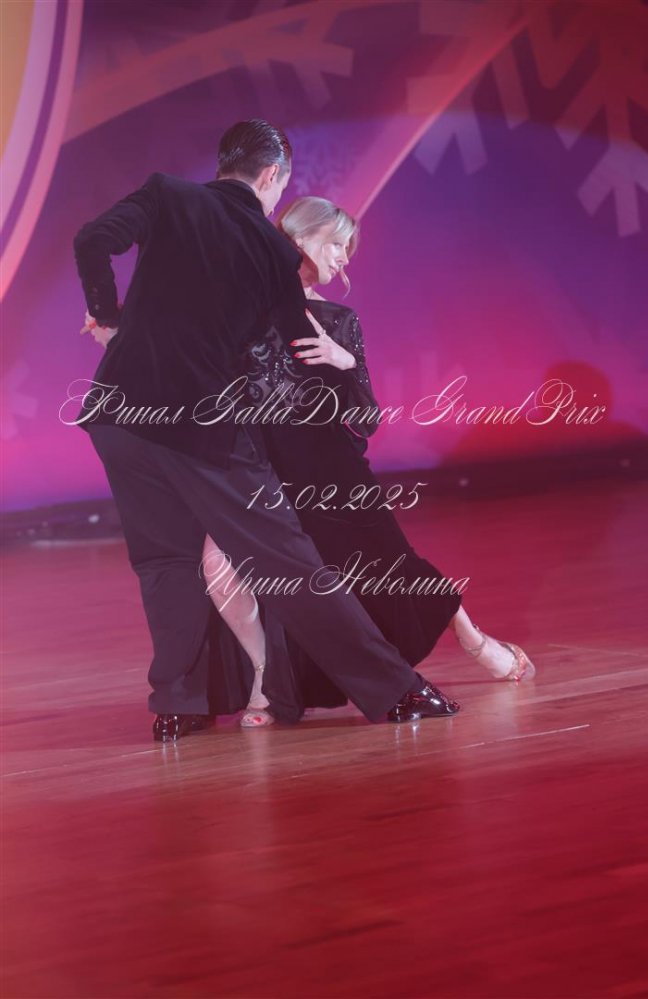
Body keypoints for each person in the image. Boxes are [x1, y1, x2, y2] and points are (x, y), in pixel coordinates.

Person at [73, 119, 460, 741]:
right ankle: (396, 690)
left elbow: (91, 240)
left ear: (224, 162)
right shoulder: (271, 248)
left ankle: (178, 704)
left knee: (164, 560)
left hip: (119, 412)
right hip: (199, 423)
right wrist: (347, 366)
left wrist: (109, 316)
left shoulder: (167, 193)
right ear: (272, 175)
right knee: (289, 560)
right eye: (281, 184)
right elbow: (299, 344)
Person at [199, 197, 535, 726]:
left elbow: (366, 417)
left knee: (391, 567)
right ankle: (267, 679)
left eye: (348, 249)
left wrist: (344, 360)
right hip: (260, 467)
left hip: (332, 469)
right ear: (299, 239)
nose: (343, 258)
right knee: (229, 567)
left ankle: (475, 640)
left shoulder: (339, 320)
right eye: (336, 244)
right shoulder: (244, 312)